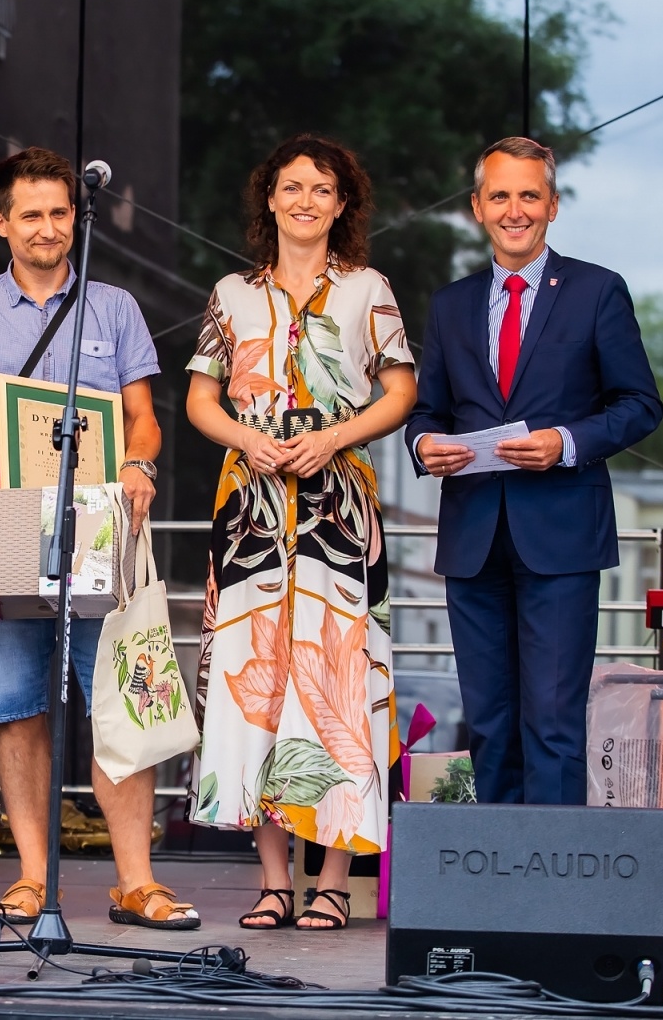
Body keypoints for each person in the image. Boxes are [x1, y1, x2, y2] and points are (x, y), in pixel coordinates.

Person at [0, 146, 198, 930]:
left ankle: (135, 880)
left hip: (100, 524)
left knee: (122, 704)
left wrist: (140, 461)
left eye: (60, 213)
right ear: (2, 223)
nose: (47, 228)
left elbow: (143, 414)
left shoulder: (114, 306)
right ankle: (32, 876)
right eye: (30, 214)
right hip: (0, 524)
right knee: (14, 708)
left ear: (78, 218)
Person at [185, 134, 416, 932]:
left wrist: (336, 437)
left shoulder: (367, 289)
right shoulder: (231, 293)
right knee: (262, 686)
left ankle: (333, 881)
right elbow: (200, 401)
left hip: (337, 512)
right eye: (292, 187)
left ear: (342, 204)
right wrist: (246, 440)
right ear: (270, 200)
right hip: (248, 508)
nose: (306, 200)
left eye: (322, 189)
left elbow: (400, 391)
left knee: (336, 689)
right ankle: (275, 880)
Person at [405, 136, 662, 806]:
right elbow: (428, 409)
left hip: (561, 534)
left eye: (528, 195)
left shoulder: (597, 291)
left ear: (551, 205)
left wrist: (566, 442)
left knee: (551, 722)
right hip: (473, 536)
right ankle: (498, 886)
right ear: (477, 208)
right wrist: (424, 443)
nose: (514, 209)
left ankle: (552, 899)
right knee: (488, 721)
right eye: (500, 196)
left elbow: (640, 405)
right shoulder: (450, 304)